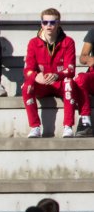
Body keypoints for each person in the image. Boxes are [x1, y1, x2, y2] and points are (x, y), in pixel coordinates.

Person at [23, 8, 79, 139]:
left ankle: (68, 126)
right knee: (27, 86)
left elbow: (70, 69)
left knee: (69, 83)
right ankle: (35, 127)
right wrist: (36, 76)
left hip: (59, 82)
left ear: (58, 23)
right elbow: (28, 69)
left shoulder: (68, 41)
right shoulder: (33, 42)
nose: (49, 25)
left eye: (52, 22)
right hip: (41, 84)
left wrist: (57, 76)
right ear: (41, 23)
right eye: (45, 22)